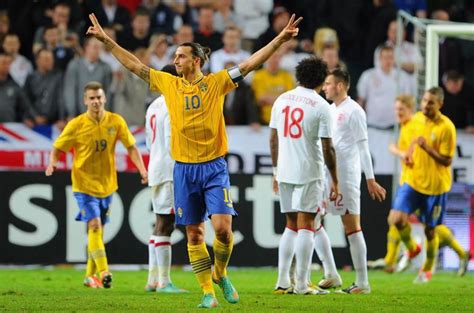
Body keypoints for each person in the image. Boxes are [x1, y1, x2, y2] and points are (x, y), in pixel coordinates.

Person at [86, 10, 302, 308]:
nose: (175, 60)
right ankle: (207, 293)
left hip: (214, 168)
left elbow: (252, 62)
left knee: (224, 231)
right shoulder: (169, 85)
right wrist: (106, 41)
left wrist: (280, 39)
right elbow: (134, 65)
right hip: (183, 170)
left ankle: (220, 272)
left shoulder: (217, 83)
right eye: (174, 56)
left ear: (196, 61)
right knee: (194, 233)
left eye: (181, 56)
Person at [45, 81, 148, 289]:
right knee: (94, 225)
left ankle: (89, 276)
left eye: (99, 97)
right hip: (83, 185)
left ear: (105, 98)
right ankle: (104, 271)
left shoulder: (115, 121)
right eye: (92, 98)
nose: (96, 101)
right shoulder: (76, 125)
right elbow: (57, 148)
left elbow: (131, 147)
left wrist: (142, 169)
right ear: (85, 100)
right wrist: (52, 163)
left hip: (107, 185)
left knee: (97, 232)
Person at [270, 57, 338, 295]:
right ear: (321, 80)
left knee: (290, 225)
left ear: (299, 76)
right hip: (309, 170)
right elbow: (328, 147)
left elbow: (273, 139)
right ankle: (300, 284)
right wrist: (335, 180)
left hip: (285, 169)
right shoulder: (321, 106)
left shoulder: (281, 99)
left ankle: (282, 282)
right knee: (307, 225)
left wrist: (275, 171)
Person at [320, 68, 387, 294]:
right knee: (313, 219)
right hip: (328, 174)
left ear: (339, 86)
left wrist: (370, 179)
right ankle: (330, 273)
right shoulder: (330, 109)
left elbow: (363, 146)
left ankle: (362, 283)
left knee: (351, 226)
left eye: (328, 84)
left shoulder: (354, 111)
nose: (325, 87)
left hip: (346, 175)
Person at [388, 87, 456, 283]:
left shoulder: (446, 127)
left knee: (430, 230)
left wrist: (426, 147)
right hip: (413, 181)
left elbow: (447, 160)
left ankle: (427, 268)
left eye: (431, 102)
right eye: (424, 100)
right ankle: (412, 249)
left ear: (440, 104)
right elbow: (406, 142)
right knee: (395, 219)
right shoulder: (416, 119)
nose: (426, 105)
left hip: (436, 187)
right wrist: (407, 154)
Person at [144, 65, 187, 293]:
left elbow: (149, 139)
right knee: (166, 224)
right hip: (171, 170)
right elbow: (173, 141)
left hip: (156, 167)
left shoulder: (153, 106)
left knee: (160, 222)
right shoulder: (173, 104)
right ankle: (164, 282)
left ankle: (152, 280)